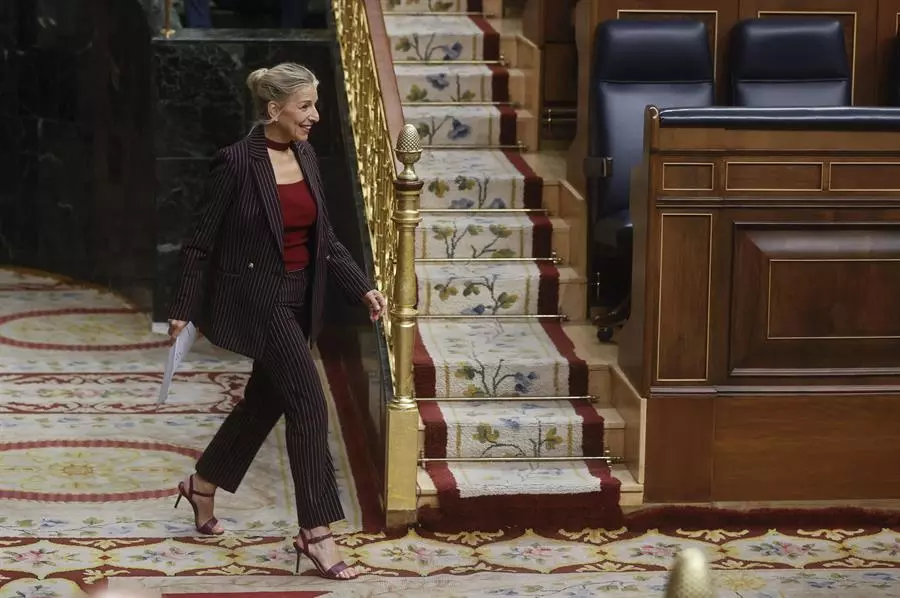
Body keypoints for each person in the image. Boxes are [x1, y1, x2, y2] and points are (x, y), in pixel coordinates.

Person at [167, 62, 386, 581]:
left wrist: (363, 287)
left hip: (298, 301)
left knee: (264, 403)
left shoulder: (306, 155)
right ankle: (316, 533)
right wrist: (182, 307)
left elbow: (325, 240)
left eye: (315, 104)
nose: (315, 115)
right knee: (309, 403)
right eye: (305, 106)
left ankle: (201, 485)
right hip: (257, 300)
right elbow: (200, 241)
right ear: (275, 110)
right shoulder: (237, 162)